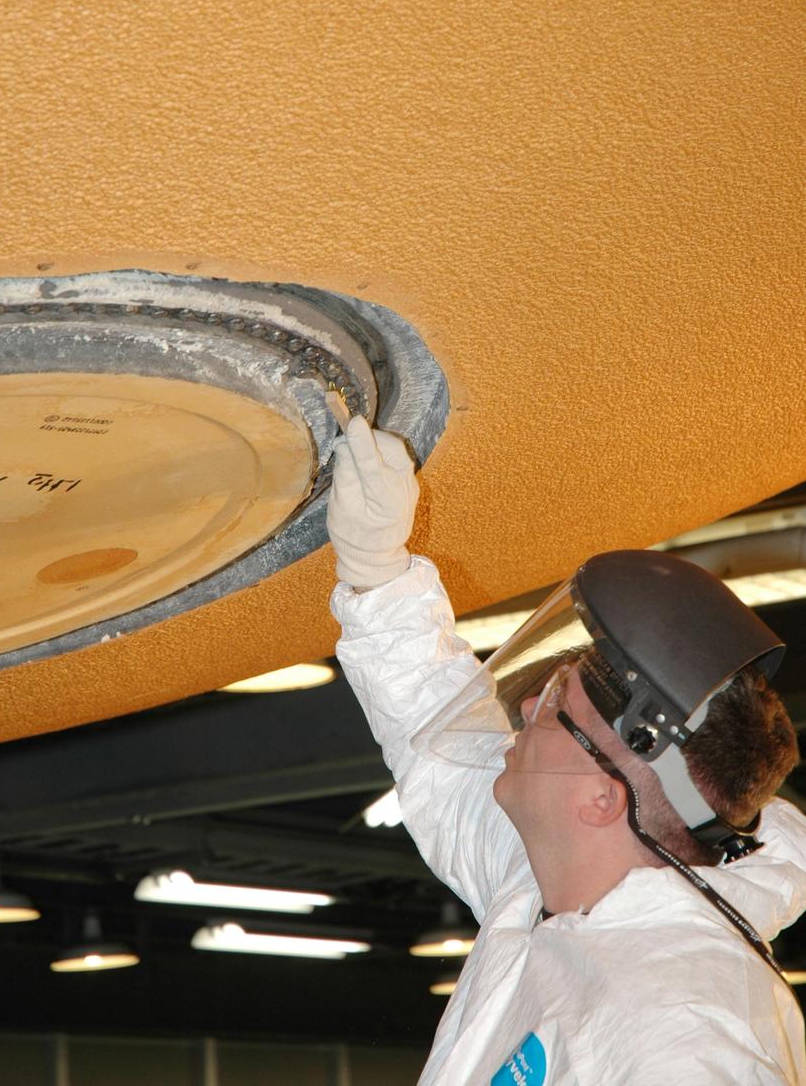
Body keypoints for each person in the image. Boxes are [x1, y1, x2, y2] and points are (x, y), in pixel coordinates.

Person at [326, 416, 806, 1085]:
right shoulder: (547, 894)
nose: (523, 709)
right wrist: (378, 570)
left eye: (553, 710)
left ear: (601, 799)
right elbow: (441, 762)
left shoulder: (684, 1034)